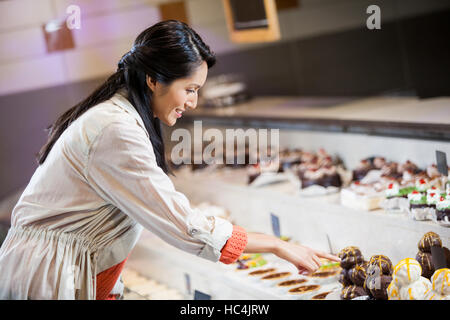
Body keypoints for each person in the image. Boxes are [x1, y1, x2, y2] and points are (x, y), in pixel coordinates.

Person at [0, 20, 339, 300]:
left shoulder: (121, 116)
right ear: (153, 80)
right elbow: (186, 226)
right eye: (189, 89)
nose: (193, 101)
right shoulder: (115, 129)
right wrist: (277, 246)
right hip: (46, 278)